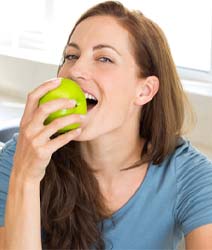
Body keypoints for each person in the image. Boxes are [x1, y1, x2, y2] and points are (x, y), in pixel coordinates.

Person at [0, 1, 212, 249]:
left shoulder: (189, 175)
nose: (76, 69)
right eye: (71, 55)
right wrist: (26, 177)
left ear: (144, 90)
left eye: (104, 58)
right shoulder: (21, 157)